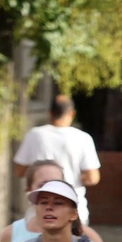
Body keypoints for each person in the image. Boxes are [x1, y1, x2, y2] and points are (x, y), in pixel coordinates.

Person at [13, 96, 101, 226]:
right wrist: (72, 177)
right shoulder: (83, 138)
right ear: (72, 113)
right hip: (73, 206)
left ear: (50, 112)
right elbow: (93, 178)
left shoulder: (35, 135)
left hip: (40, 208)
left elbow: (19, 171)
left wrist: (38, 177)